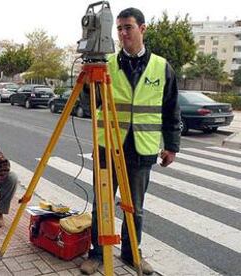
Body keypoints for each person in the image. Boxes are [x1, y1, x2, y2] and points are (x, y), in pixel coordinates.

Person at [79, 7, 180, 275]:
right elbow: (90, 106)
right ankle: (97, 254)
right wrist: (88, 81)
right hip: (108, 146)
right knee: (103, 204)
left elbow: (171, 109)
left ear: (142, 29)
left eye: (128, 28)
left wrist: (172, 146)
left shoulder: (162, 67)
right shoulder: (106, 64)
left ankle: (132, 253)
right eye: (120, 29)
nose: (123, 33)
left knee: (135, 208)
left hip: (142, 148)